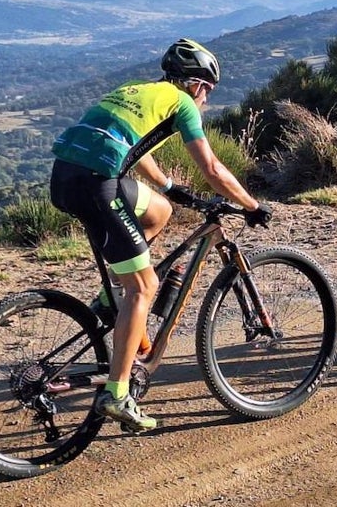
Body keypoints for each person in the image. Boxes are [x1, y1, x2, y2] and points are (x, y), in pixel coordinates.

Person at [49, 38, 272, 432]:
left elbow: (136, 147)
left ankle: (108, 300)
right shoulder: (184, 104)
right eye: (208, 92)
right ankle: (117, 395)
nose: (205, 100)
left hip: (66, 177)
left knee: (159, 211)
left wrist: (169, 187)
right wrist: (251, 206)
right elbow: (214, 169)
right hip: (97, 183)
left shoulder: (139, 91)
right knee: (144, 287)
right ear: (199, 86)